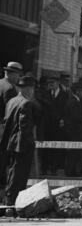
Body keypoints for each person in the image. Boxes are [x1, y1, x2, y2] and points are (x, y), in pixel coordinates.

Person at [0, 74, 37, 216]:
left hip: (10, 143)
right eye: (32, 89)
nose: (32, 92)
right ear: (28, 89)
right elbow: (25, 128)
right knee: (19, 176)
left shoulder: (11, 101)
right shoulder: (26, 103)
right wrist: (31, 143)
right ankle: (12, 205)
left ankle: (9, 202)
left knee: (11, 173)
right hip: (21, 146)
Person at [62, 82, 82, 177]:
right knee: (73, 153)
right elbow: (75, 117)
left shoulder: (77, 100)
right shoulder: (72, 101)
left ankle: (75, 172)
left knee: (76, 153)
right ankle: (71, 173)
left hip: (75, 132)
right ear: (77, 91)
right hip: (73, 132)